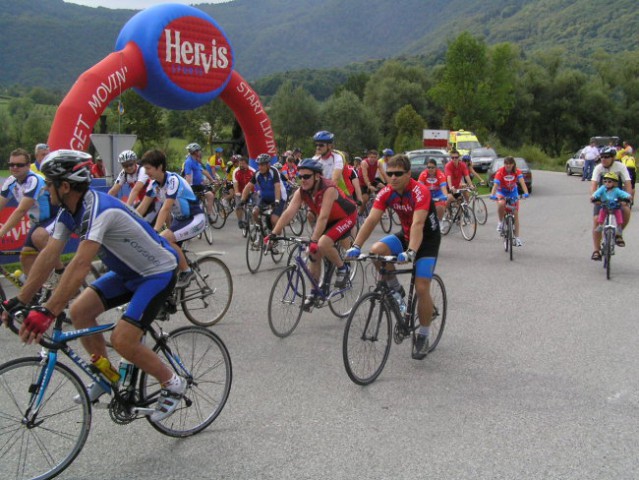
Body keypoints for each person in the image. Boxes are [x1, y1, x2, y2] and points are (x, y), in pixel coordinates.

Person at [1, 149, 185, 422]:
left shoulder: (99, 210)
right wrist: (20, 300)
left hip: (155, 274)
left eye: (49, 183)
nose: (46, 188)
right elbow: (50, 255)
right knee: (79, 313)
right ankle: (106, 375)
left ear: (65, 186)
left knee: (122, 340)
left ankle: (172, 383)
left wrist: (49, 311)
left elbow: (80, 264)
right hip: (127, 272)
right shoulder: (68, 211)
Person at [346, 154, 441, 360]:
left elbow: (418, 224)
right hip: (407, 235)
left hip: (426, 240)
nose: (394, 177)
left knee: (422, 287)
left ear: (408, 174)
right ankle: (396, 289)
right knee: (376, 251)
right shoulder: (387, 192)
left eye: (398, 173)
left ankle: (423, 336)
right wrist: (356, 245)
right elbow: (371, 220)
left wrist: (411, 252)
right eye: (390, 174)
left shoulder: (420, 191)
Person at [268, 158, 357, 301]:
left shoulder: (328, 189)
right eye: (300, 176)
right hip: (328, 219)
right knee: (314, 254)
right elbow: (289, 213)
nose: (303, 180)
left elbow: (322, 217)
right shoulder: (301, 191)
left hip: (346, 217)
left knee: (322, 244)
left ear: (317, 176)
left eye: (307, 176)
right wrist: (273, 233)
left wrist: (314, 241)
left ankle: (343, 268)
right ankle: (315, 291)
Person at [137, 149, 205, 287]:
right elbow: (142, 208)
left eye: (148, 168)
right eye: (145, 169)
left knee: (163, 238)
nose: (146, 172)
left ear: (160, 167)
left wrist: (155, 230)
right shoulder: (154, 184)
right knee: (161, 250)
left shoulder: (173, 180)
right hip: (180, 221)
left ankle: (187, 271)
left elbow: (166, 208)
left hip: (194, 218)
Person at [0, 148, 64, 275]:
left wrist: (2, 232)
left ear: (28, 166)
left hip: (55, 217)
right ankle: (36, 293)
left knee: (38, 237)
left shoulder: (34, 180)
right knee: (25, 257)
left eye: (19, 165)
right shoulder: (11, 181)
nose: (15, 168)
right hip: (39, 222)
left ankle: (60, 273)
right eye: (11, 165)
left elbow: (21, 210)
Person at [590, 147, 632, 255]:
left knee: (626, 210)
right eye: (602, 157)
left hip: (617, 198)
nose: (603, 159)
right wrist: (594, 198)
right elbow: (593, 185)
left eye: (606, 157)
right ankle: (596, 250)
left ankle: (618, 233)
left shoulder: (620, 167)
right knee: (596, 220)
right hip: (603, 198)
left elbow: (628, 184)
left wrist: (628, 198)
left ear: (613, 158)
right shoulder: (598, 168)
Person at [239, 154, 287, 246]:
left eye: (262, 165)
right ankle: (261, 231)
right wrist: (242, 200)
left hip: (279, 198)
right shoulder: (257, 174)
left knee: (274, 219)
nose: (259, 167)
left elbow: (277, 187)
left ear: (268, 165)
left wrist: (277, 201)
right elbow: (248, 187)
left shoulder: (274, 171)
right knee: (255, 212)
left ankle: (276, 237)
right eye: (258, 165)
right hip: (264, 198)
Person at [108, 150, 158, 224]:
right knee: (132, 222)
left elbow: (136, 190)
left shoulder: (142, 170)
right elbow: (113, 191)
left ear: (135, 162)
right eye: (125, 165)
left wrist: (127, 207)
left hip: (155, 201)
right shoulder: (124, 173)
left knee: (146, 226)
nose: (128, 167)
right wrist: (104, 204)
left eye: (130, 164)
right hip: (143, 202)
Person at [490, 156, 529, 247]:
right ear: (504, 164)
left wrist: (526, 193)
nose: (508, 166)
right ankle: (500, 222)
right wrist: (493, 195)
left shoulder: (517, 171)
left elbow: (522, 183)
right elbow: (495, 185)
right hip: (501, 191)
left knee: (515, 213)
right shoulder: (500, 172)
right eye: (506, 164)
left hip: (512, 192)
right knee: (501, 204)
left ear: (513, 164)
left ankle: (517, 238)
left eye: (510, 164)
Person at [591, 172, 631, 238]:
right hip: (605, 206)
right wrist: (594, 197)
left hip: (615, 206)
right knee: (602, 212)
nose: (607, 183)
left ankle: (619, 227)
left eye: (609, 182)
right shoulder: (602, 188)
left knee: (618, 214)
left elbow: (623, 194)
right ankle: (600, 225)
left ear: (615, 183)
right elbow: (597, 193)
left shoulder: (616, 190)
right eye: (605, 181)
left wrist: (627, 197)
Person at [183, 142, 216, 220]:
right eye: (199, 150)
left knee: (210, 195)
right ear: (195, 152)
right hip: (192, 186)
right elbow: (188, 176)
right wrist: (187, 189)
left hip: (199, 185)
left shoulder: (196, 161)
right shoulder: (188, 162)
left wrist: (212, 180)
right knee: (195, 204)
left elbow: (203, 171)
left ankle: (208, 215)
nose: (200, 152)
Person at [233, 156, 255, 229]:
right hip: (240, 191)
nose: (241, 165)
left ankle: (253, 220)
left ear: (247, 164)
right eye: (240, 163)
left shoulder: (253, 171)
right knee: (238, 206)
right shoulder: (236, 171)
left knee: (255, 206)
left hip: (251, 191)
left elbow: (257, 183)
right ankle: (240, 220)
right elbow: (235, 184)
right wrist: (237, 192)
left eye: (243, 164)